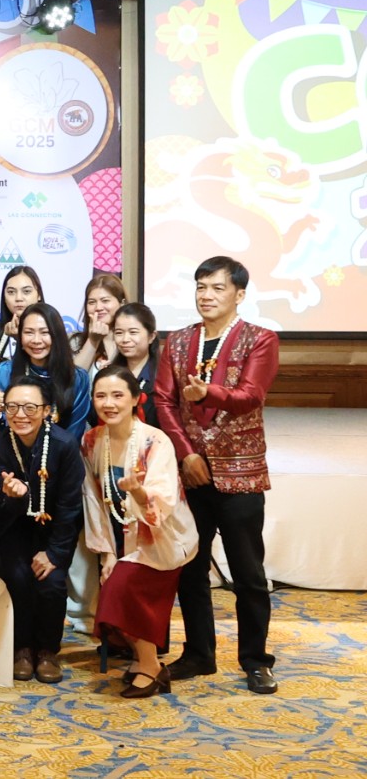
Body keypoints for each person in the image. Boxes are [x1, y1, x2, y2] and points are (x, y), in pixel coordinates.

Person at [155, 255, 280, 695]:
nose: (206, 296)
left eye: (217, 288)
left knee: (248, 573)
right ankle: (199, 653)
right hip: (191, 474)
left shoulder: (260, 339)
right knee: (190, 567)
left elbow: (250, 396)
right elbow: (163, 400)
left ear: (239, 294)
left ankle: (256, 660)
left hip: (241, 474)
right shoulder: (177, 341)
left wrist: (207, 392)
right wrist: (187, 455)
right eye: (201, 287)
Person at [82, 365, 198, 698]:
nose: (109, 403)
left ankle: (151, 666)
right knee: (115, 598)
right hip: (118, 535)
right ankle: (144, 661)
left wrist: (137, 491)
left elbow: (163, 500)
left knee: (120, 593)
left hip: (161, 538)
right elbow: (93, 500)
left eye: (118, 395)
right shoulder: (91, 440)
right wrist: (106, 552)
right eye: (101, 396)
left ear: (135, 399)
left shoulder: (154, 440)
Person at [0, 374, 84, 684]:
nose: (20, 415)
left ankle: (48, 650)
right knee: (17, 577)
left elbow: (70, 506)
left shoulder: (65, 445)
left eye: (30, 407)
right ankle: (22, 648)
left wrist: (54, 553)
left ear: (47, 410)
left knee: (51, 582)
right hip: (15, 528)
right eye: (12, 407)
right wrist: (11, 496)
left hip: (55, 531)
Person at [0, 303, 92, 435]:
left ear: (57, 336)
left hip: (60, 448)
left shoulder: (77, 378)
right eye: (29, 332)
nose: (36, 340)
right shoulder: (5, 371)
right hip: (11, 446)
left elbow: (74, 433)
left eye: (44, 332)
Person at [109, 303, 162, 428]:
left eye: (133, 332)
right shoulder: (110, 375)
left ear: (151, 337)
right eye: (119, 333)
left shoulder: (163, 376)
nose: (125, 339)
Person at [72, 274, 128, 373]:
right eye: (92, 302)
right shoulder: (75, 342)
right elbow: (74, 378)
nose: (98, 307)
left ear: (122, 303)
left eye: (105, 301)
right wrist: (93, 341)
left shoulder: (131, 340)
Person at [0, 265, 44, 360]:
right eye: (11, 292)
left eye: (26, 291)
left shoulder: (53, 332)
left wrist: (19, 339)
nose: (18, 298)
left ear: (39, 295)